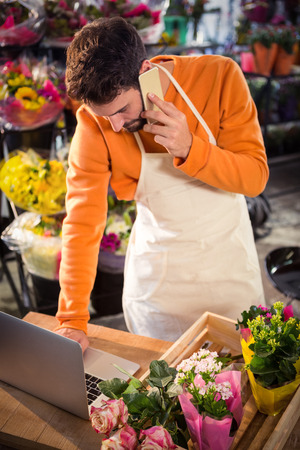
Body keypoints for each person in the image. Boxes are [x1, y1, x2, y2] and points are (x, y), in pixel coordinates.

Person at [55, 17, 269, 351]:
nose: (115, 125)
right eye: (104, 115)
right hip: (157, 294)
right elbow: (82, 223)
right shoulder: (94, 124)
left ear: (144, 71)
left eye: (122, 109)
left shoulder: (219, 75)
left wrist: (191, 148)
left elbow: (255, 177)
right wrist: (71, 319)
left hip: (230, 278)